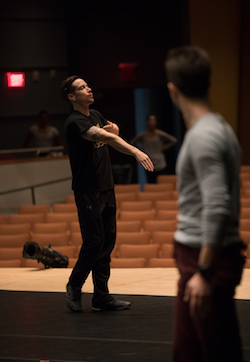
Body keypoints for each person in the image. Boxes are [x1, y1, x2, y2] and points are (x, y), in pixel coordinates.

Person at [165, 46, 246, 362]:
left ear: (173, 90)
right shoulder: (217, 128)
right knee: (188, 352)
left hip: (205, 258)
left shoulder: (204, 137)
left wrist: (205, 270)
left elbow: (217, 204)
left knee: (217, 352)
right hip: (196, 257)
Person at [60, 75, 154, 313]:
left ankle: (101, 297)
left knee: (107, 244)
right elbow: (105, 136)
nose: (89, 89)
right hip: (88, 190)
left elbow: (111, 129)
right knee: (93, 243)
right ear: (72, 96)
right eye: (82, 87)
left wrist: (116, 129)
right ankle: (74, 285)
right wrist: (135, 151)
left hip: (106, 187)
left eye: (88, 85)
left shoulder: (96, 115)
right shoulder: (74, 122)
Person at [131, 114, 177, 183]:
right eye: (150, 120)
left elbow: (173, 140)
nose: (152, 122)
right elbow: (132, 143)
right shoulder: (143, 135)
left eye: (153, 120)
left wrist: (162, 148)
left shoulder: (159, 134)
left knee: (162, 184)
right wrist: (141, 150)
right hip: (148, 162)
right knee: (151, 184)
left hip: (160, 163)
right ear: (147, 122)